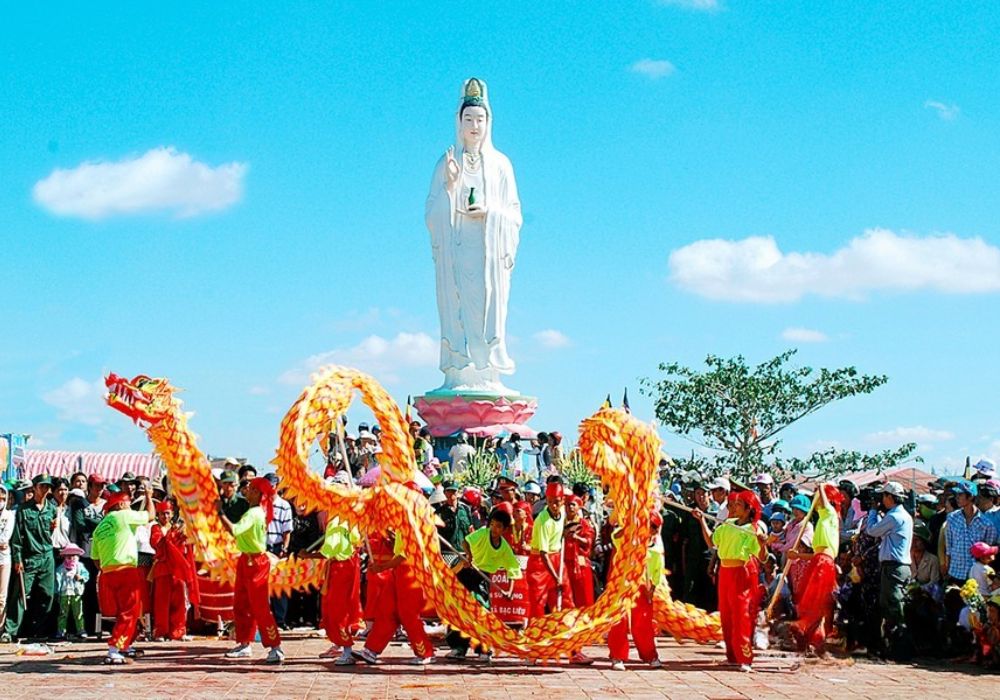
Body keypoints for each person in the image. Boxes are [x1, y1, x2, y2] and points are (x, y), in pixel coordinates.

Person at [425, 77, 522, 392]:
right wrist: (450, 188)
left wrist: (492, 214)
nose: (475, 126)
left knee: (488, 307)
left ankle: (488, 369)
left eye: (480, 119)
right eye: (469, 119)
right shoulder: (446, 163)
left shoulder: (501, 165)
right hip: (457, 252)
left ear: (488, 122)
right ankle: (460, 367)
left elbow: (515, 213)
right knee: (459, 308)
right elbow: (430, 212)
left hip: (488, 254)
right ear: (459, 121)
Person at [353, 499, 435, 664]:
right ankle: (371, 650)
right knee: (386, 609)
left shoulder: (414, 523)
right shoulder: (402, 520)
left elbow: (404, 555)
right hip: (398, 571)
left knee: (408, 613)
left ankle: (425, 653)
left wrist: (382, 567)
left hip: (411, 571)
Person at [694, 490, 767, 671]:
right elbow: (712, 542)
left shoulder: (753, 529)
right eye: (733, 504)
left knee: (741, 614)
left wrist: (763, 543)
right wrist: (701, 520)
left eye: (738, 505)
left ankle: (745, 658)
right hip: (724, 572)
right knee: (726, 614)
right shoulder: (728, 524)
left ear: (749, 509)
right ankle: (732, 656)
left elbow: (762, 557)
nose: (733, 507)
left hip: (741, 572)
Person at [216, 477, 285, 664]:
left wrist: (220, 513)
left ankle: (275, 647)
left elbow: (235, 530)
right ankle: (244, 643)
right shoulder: (254, 511)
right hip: (247, 560)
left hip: (255, 562)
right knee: (242, 604)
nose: (247, 490)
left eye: (251, 488)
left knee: (259, 606)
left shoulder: (253, 513)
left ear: (258, 493)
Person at [446, 507, 522, 660]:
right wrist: (469, 555)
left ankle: (483, 648)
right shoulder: (482, 533)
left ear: (504, 529)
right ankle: (458, 648)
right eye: (492, 524)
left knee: (482, 613)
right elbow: (465, 541)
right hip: (467, 573)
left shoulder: (505, 548)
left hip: (482, 579)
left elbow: (513, 569)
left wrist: (510, 590)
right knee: (460, 610)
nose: (494, 529)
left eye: (498, 526)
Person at [91, 488, 154, 664]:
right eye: (128, 503)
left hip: (107, 574)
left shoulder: (99, 527)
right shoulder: (123, 516)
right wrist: (149, 496)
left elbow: (95, 559)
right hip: (126, 571)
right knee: (130, 612)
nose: (130, 506)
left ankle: (125, 645)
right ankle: (114, 649)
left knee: (123, 614)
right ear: (120, 504)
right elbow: (150, 515)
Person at [788, 485, 843, 656]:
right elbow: (816, 554)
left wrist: (820, 487)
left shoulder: (830, 513)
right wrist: (797, 555)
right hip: (818, 561)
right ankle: (813, 639)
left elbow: (822, 555)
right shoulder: (822, 519)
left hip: (823, 563)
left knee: (817, 602)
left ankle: (809, 633)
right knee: (811, 600)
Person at [607, 509, 664, 670]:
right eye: (650, 526)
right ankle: (618, 656)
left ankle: (650, 656)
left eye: (655, 528)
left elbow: (657, 572)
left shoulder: (654, 550)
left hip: (642, 586)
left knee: (643, 621)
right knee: (620, 619)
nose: (652, 530)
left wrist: (651, 589)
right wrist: (630, 525)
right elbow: (615, 537)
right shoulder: (628, 539)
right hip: (623, 583)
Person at [864, 481, 914, 656]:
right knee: (894, 606)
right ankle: (894, 646)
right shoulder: (902, 515)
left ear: (889, 497)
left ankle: (897, 649)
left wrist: (872, 511)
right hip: (898, 566)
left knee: (892, 608)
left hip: (893, 567)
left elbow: (871, 531)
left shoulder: (894, 517)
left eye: (883, 496)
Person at [4, 474, 56, 642]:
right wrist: (18, 559)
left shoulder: (52, 508)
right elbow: (17, 538)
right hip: (29, 557)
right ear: (34, 488)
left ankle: (38, 630)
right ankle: (10, 631)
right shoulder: (24, 509)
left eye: (47, 487)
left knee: (47, 595)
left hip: (47, 556)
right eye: (42, 486)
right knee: (20, 595)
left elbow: (51, 533)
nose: (45, 489)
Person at [316, 502, 362, 666]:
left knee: (337, 610)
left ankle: (347, 649)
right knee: (340, 608)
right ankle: (341, 645)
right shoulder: (348, 517)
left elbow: (330, 549)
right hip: (346, 565)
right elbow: (357, 540)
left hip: (341, 567)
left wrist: (309, 555)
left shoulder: (337, 519)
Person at [149, 500, 196, 641]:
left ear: (172, 514)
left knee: (179, 602)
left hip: (177, 569)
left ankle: (178, 631)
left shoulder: (178, 528)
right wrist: (173, 533)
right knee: (161, 603)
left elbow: (184, 546)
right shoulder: (156, 528)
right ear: (158, 515)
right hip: (163, 569)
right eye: (162, 514)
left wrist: (181, 533)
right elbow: (157, 544)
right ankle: (160, 631)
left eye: (167, 513)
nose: (165, 516)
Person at [944, 480, 998, 585]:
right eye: (956, 494)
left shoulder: (986, 524)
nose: (957, 498)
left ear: (970, 497)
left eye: (960, 494)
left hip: (976, 576)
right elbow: (949, 546)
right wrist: (947, 568)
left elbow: (988, 553)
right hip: (955, 572)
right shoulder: (952, 518)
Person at [73, 473, 106, 635]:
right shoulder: (81, 504)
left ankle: (104, 626)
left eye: (102, 486)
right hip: (86, 554)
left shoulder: (107, 505)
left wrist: (93, 524)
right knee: (87, 592)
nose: (99, 489)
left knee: (103, 592)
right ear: (90, 486)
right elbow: (80, 524)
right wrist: (101, 524)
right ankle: (88, 626)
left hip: (104, 554)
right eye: (96, 486)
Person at [563, 495, 595, 608]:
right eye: (567, 504)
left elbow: (589, 542)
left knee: (583, 598)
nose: (570, 507)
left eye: (573, 505)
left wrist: (576, 537)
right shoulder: (561, 523)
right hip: (564, 565)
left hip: (580, 565)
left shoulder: (584, 524)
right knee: (566, 598)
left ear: (579, 507)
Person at [54, 543, 89, 641]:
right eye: (68, 556)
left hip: (76, 593)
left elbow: (86, 576)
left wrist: (81, 578)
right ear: (64, 557)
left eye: (74, 556)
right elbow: (57, 581)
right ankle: (61, 631)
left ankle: (81, 630)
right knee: (63, 613)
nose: (71, 558)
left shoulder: (80, 566)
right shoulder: (60, 569)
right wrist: (57, 592)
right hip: (64, 593)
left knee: (78, 613)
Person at [436, 480, 474, 551]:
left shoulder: (466, 509)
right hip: (447, 553)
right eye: (448, 491)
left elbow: (471, 530)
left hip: (464, 553)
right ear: (444, 493)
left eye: (453, 491)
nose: (451, 494)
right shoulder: (439, 512)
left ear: (458, 493)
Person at [0, 483, 14, 638]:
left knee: (2, 597)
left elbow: (5, 540)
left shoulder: (9, 515)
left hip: (4, 559)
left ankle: (1, 628)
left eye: (3, 497)